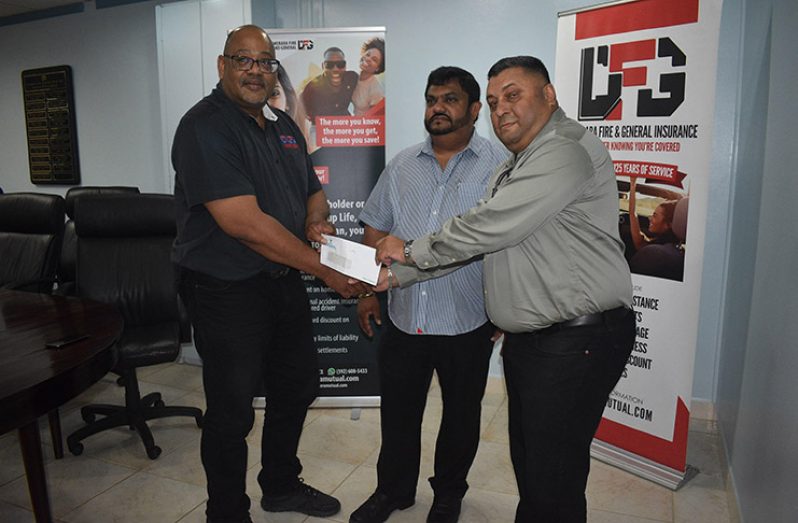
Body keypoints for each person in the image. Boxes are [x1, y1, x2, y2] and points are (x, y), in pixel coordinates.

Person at [375, 56, 635, 523]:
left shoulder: (563, 151)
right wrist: (395, 276)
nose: (501, 111)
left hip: (575, 341)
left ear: (549, 95)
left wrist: (409, 253)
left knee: (549, 474)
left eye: (512, 95)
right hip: (538, 342)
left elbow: (485, 228)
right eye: (495, 103)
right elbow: (476, 247)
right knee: (538, 469)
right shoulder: (515, 166)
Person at [171, 25, 367, 523]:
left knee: (296, 387)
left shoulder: (282, 124)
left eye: (265, 62)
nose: (256, 71)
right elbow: (244, 224)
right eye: (244, 60)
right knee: (232, 411)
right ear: (223, 66)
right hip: (226, 290)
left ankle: (279, 486)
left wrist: (316, 220)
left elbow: (310, 191)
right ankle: (227, 511)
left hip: (282, 283)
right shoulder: (204, 128)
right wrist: (324, 270)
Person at [351, 67, 506, 523]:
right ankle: (393, 492)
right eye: (432, 98)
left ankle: (448, 495)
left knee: (461, 419)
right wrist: (366, 294)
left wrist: (504, 306)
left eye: (451, 99)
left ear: (475, 110)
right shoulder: (400, 166)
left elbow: (507, 242)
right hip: (404, 317)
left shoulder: (500, 168)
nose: (438, 107)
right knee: (398, 415)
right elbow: (375, 229)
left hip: (468, 319)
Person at [626, 177, 685, 280]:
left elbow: (632, 214)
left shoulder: (652, 254)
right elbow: (632, 213)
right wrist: (632, 185)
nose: (650, 218)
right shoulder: (678, 252)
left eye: (655, 215)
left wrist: (633, 185)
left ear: (669, 224)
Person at [300, 46, 359, 120]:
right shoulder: (312, 87)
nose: (335, 69)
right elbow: (300, 105)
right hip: (321, 127)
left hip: (345, 125)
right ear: (323, 66)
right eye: (329, 65)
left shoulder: (352, 78)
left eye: (340, 64)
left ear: (345, 66)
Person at [352, 37, 385, 116]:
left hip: (365, 126)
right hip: (352, 123)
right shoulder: (353, 77)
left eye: (374, 60)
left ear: (378, 68)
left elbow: (375, 118)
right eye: (367, 54)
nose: (368, 59)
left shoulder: (376, 89)